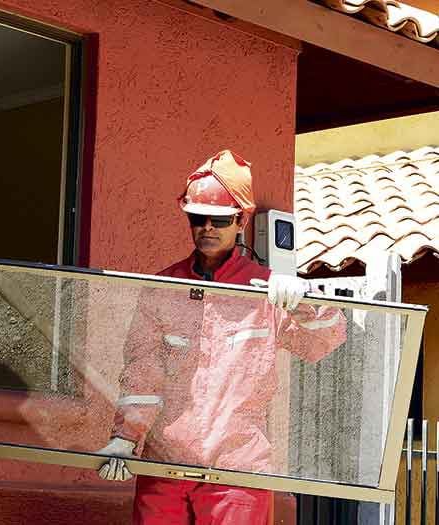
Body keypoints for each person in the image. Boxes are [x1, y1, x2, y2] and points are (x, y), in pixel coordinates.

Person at [97, 150, 347, 524]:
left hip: (237, 470)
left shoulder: (265, 292)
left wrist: (303, 302)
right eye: (198, 218)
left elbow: (326, 341)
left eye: (219, 219)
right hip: (167, 463)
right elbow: (142, 370)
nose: (207, 227)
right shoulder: (163, 288)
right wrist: (125, 437)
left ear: (241, 221)